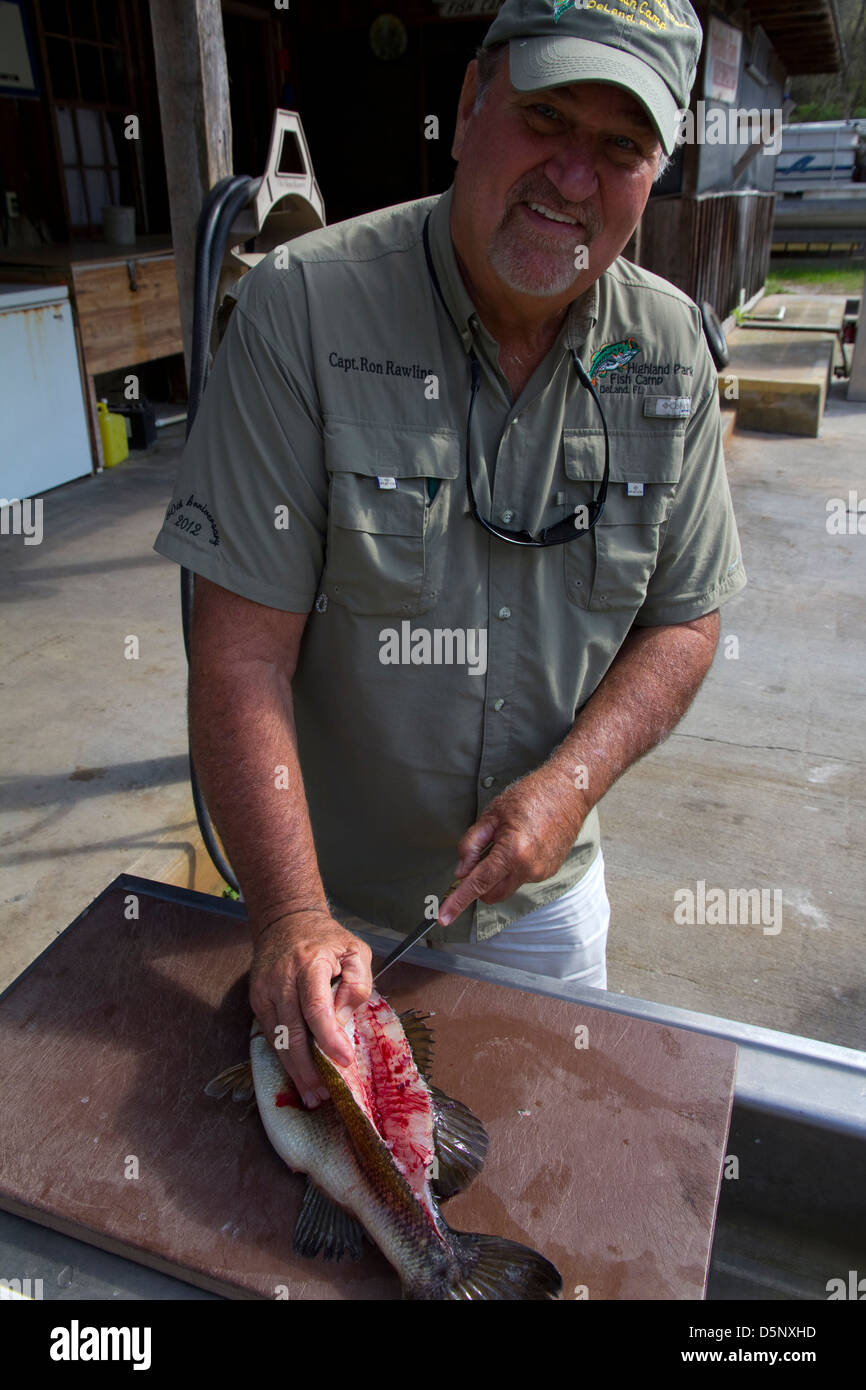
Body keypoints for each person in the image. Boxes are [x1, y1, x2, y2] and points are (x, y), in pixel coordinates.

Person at [153, 0, 745, 1112]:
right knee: (315, 1224)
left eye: (617, 147)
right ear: (471, 105)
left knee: (531, 1180)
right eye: (544, 117)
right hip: (332, 904)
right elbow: (238, 656)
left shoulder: (668, 350)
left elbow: (685, 617)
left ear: (653, 172)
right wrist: (286, 912)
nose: (571, 176)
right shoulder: (300, 313)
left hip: (543, 910)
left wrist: (569, 786)